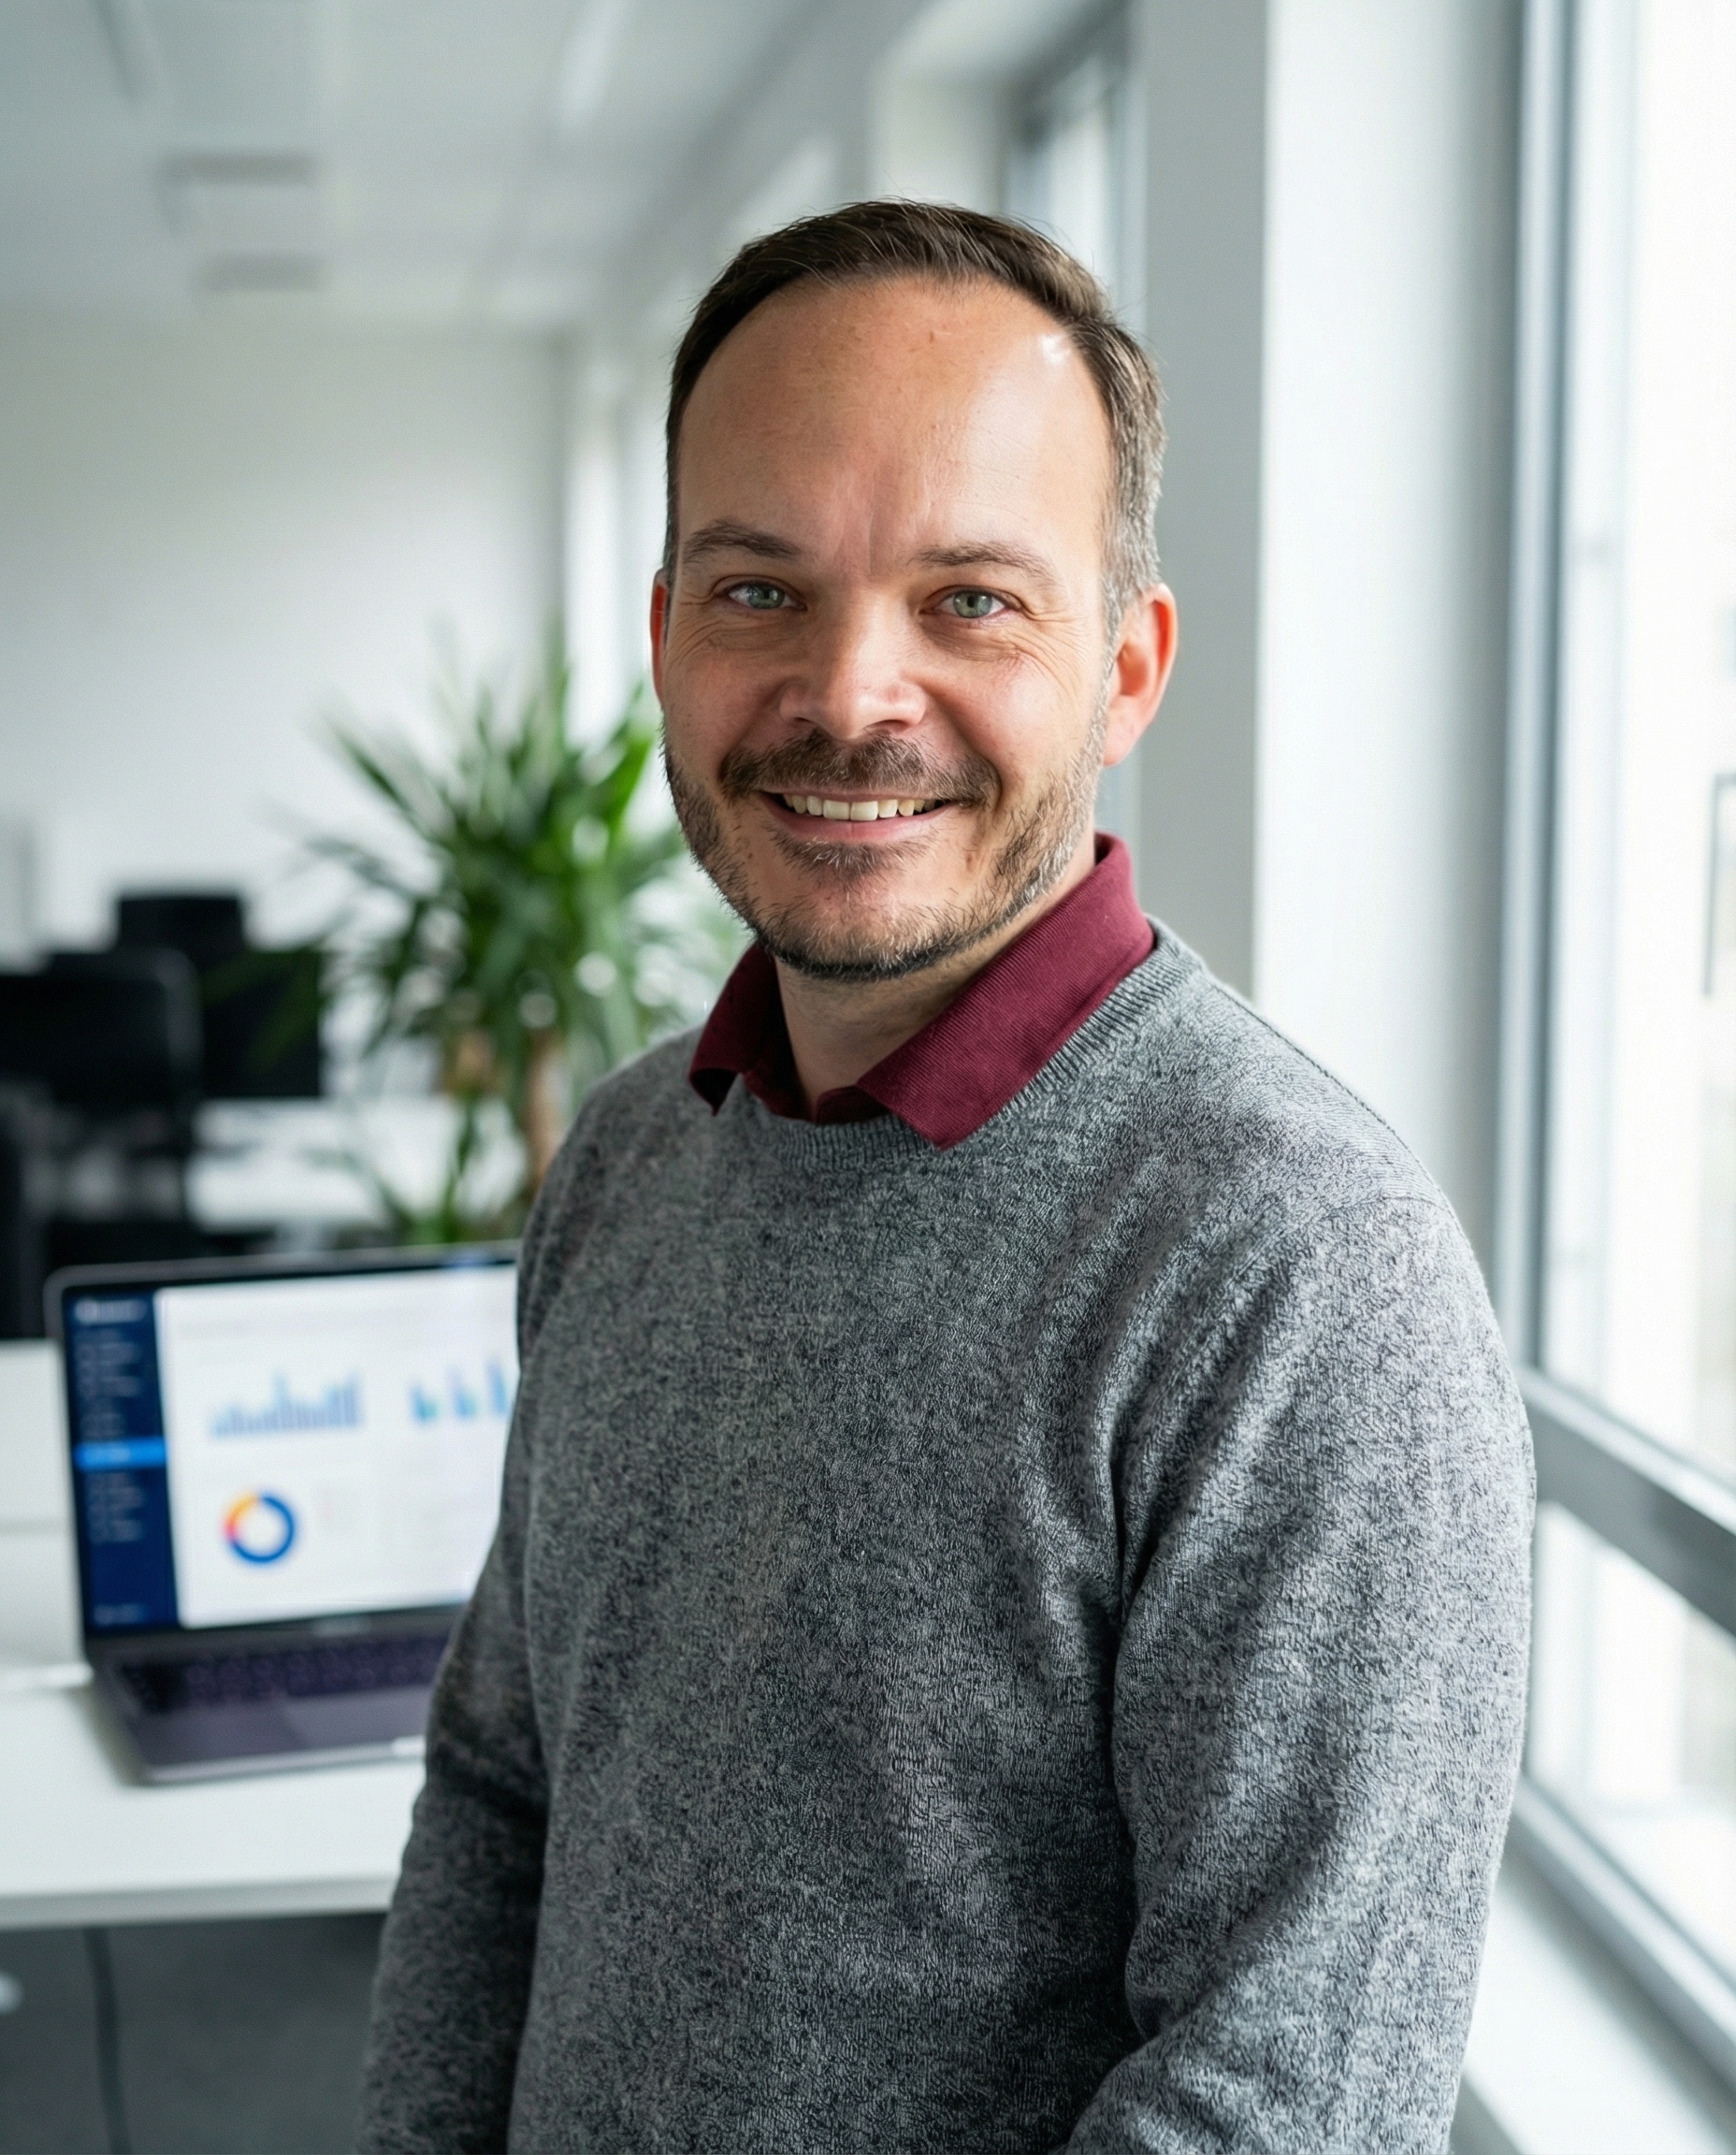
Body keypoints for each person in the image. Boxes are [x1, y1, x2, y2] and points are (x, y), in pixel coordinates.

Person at [357, 201, 1531, 2154]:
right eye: (757, 591)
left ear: (1127, 666)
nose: (848, 693)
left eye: (970, 600)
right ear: (663, 638)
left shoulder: (1294, 1270)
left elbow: (1286, 2095)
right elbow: (503, 1794)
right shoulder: (638, 1156)